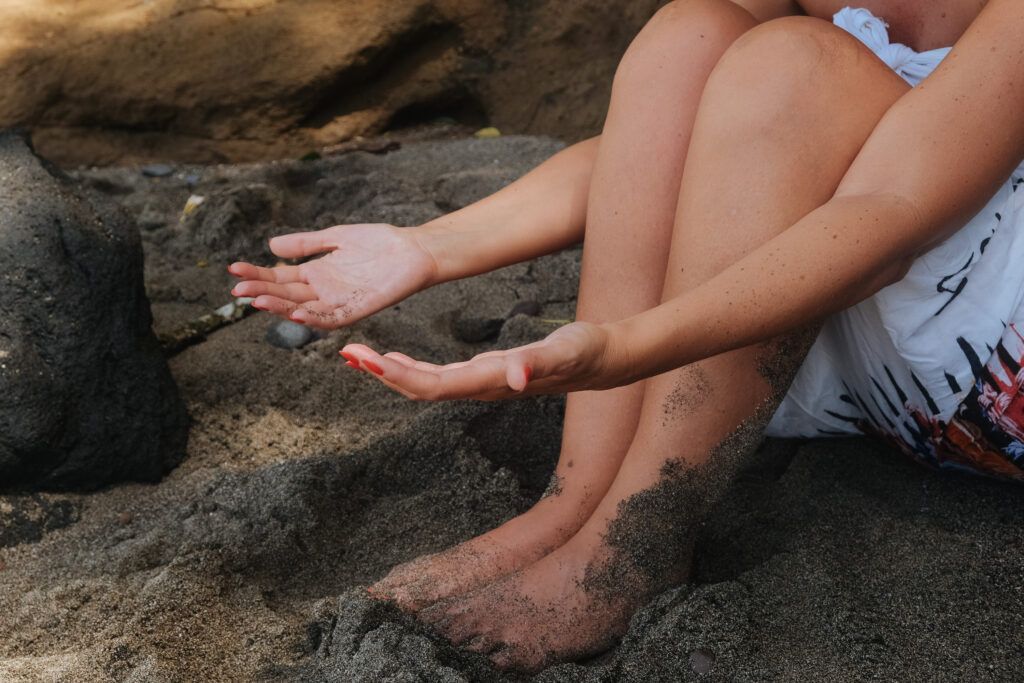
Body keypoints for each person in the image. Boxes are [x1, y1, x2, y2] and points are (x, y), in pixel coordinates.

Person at [228, 0, 1024, 672]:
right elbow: (671, 137)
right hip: (833, 319)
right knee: (690, 35)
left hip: (981, 354)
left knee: (793, 63)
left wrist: (624, 345)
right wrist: (435, 245)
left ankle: (636, 535)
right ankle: (575, 501)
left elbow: (889, 210)